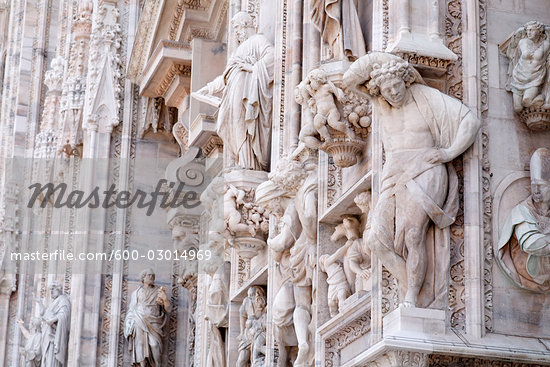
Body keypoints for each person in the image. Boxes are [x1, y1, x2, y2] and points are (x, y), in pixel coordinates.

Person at [343, 52, 480, 308]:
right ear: (379, 90)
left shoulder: (424, 97)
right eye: (388, 88)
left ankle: (411, 297)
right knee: (374, 239)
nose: (394, 92)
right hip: (394, 170)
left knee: (414, 235)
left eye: (397, 85)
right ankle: (416, 286)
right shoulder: (380, 104)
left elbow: (469, 120)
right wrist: (380, 60)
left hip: (425, 166)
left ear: (405, 81)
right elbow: (349, 80)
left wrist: (449, 153)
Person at [193, 12, 274, 171]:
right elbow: (225, 77)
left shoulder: (258, 40)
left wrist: (253, 68)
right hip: (233, 93)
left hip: (246, 93)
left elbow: (272, 57)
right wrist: (208, 88)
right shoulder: (237, 51)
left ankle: (249, 163)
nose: (236, 31)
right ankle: (242, 161)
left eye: (237, 27)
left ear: (246, 24)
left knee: (242, 123)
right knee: (231, 123)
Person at [497, 148, 550, 292]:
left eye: (542, 185)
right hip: (528, 275)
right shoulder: (521, 211)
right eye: (533, 185)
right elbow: (532, 244)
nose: (536, 191)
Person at [124, 268, 171, 367]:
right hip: (139, 319)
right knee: (140, 344)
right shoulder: (136, 292)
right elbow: (132, 309)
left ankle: (157, 365)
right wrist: (128, 321)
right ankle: (142, 365)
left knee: (154, 345)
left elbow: (168, 309)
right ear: (143, 278)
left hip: (154, 321)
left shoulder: (159, 292)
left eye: (153, 275)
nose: (152, 277)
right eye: (149, 275)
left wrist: (165, 299)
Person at [505, 21, 550, 112]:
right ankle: (539, 100)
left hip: (535, 79)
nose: (529, 32)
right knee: (518, 108)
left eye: (532, 30)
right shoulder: (523, 42)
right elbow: (520, 53)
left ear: (539, 31)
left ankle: (541, 97)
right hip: (519, 77)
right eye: (528, 30)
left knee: (526, 100)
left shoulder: (546, 44)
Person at [38, 282, 71, 367]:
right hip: (46, 335)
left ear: (59, 288)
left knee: (51, 359)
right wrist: (40, 303)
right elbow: (45, 314)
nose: (51, 292)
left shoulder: (63, 299)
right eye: (50, 289)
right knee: (46, 358)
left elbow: (64, 314)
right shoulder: (54, 302)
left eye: (53, 289)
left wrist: (52, 320)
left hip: (53, 336)